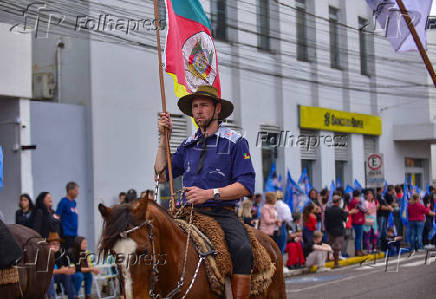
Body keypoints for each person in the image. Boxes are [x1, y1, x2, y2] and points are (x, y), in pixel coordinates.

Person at [154, 85, 255, 298]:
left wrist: (209, 194)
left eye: (204, 106)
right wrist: (164, 138)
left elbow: (245, 186)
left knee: (243, 249)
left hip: (222, 214)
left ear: (217, 109)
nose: (198, 110)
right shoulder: (188, 144)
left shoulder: (235, 141)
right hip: (187, 212)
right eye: (195, 106)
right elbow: (162, 174)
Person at [46, 232, 75, 299]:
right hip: (46, 277)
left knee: (68, 275)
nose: (56, 246)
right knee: (50, 277)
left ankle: (72, 297)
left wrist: (68, 270)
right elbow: (48, 272)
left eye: (58, 244)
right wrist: (62, 270)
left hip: (58, 275)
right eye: (53, 244)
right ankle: (51, 297)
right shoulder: (46, 255)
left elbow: (67, 267)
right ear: (48, 245)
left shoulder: (61, 254)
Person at [325, 195, 348, 268]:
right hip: (339, 231)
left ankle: (327, 259)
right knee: (337, 248)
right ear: (338, 202)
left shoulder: (328, 209)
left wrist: (327, 229)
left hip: (330, 230)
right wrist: (346, 212)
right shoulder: (340, 210)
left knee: (329, 245)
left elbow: (325, 221)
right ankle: (336, 263)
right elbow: (345, 219)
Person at [56, 182, 79, 250]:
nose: (78, 192)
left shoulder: (74, 202)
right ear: (69, 191)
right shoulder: (63, 202)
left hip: (74, 234)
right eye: (76, 190)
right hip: (66, 234)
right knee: (67, 254)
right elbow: (57, 217)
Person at [348, 190, 366, 256]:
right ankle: (358, 251)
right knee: (359, 237)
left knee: (357, 237)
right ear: (359, 195)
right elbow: (364, 210)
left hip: (353, 220)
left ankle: (358, 250)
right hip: (359, 220)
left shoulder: (351, 201)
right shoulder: (358, 202)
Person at [363, 189, 379, 253]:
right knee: (367, 234)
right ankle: (368, 248)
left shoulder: (374, 202)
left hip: (374, 219)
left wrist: (374, 208)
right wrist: (374, 208)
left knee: (375, 234)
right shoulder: (365, 202)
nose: (370, 196)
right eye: (369, 195)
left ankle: (374, 247)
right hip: (367, 219)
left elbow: (377, 208)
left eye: (371, 195)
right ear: (366, 196)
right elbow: (367, 212)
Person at [341, 193, 352, 257]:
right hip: (346, 224)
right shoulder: (345, 205)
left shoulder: (346, 204)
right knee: (345, 239)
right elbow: (345, 215)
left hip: (348, 223)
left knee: (346, 239)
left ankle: (345, 252)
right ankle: (343, 253)